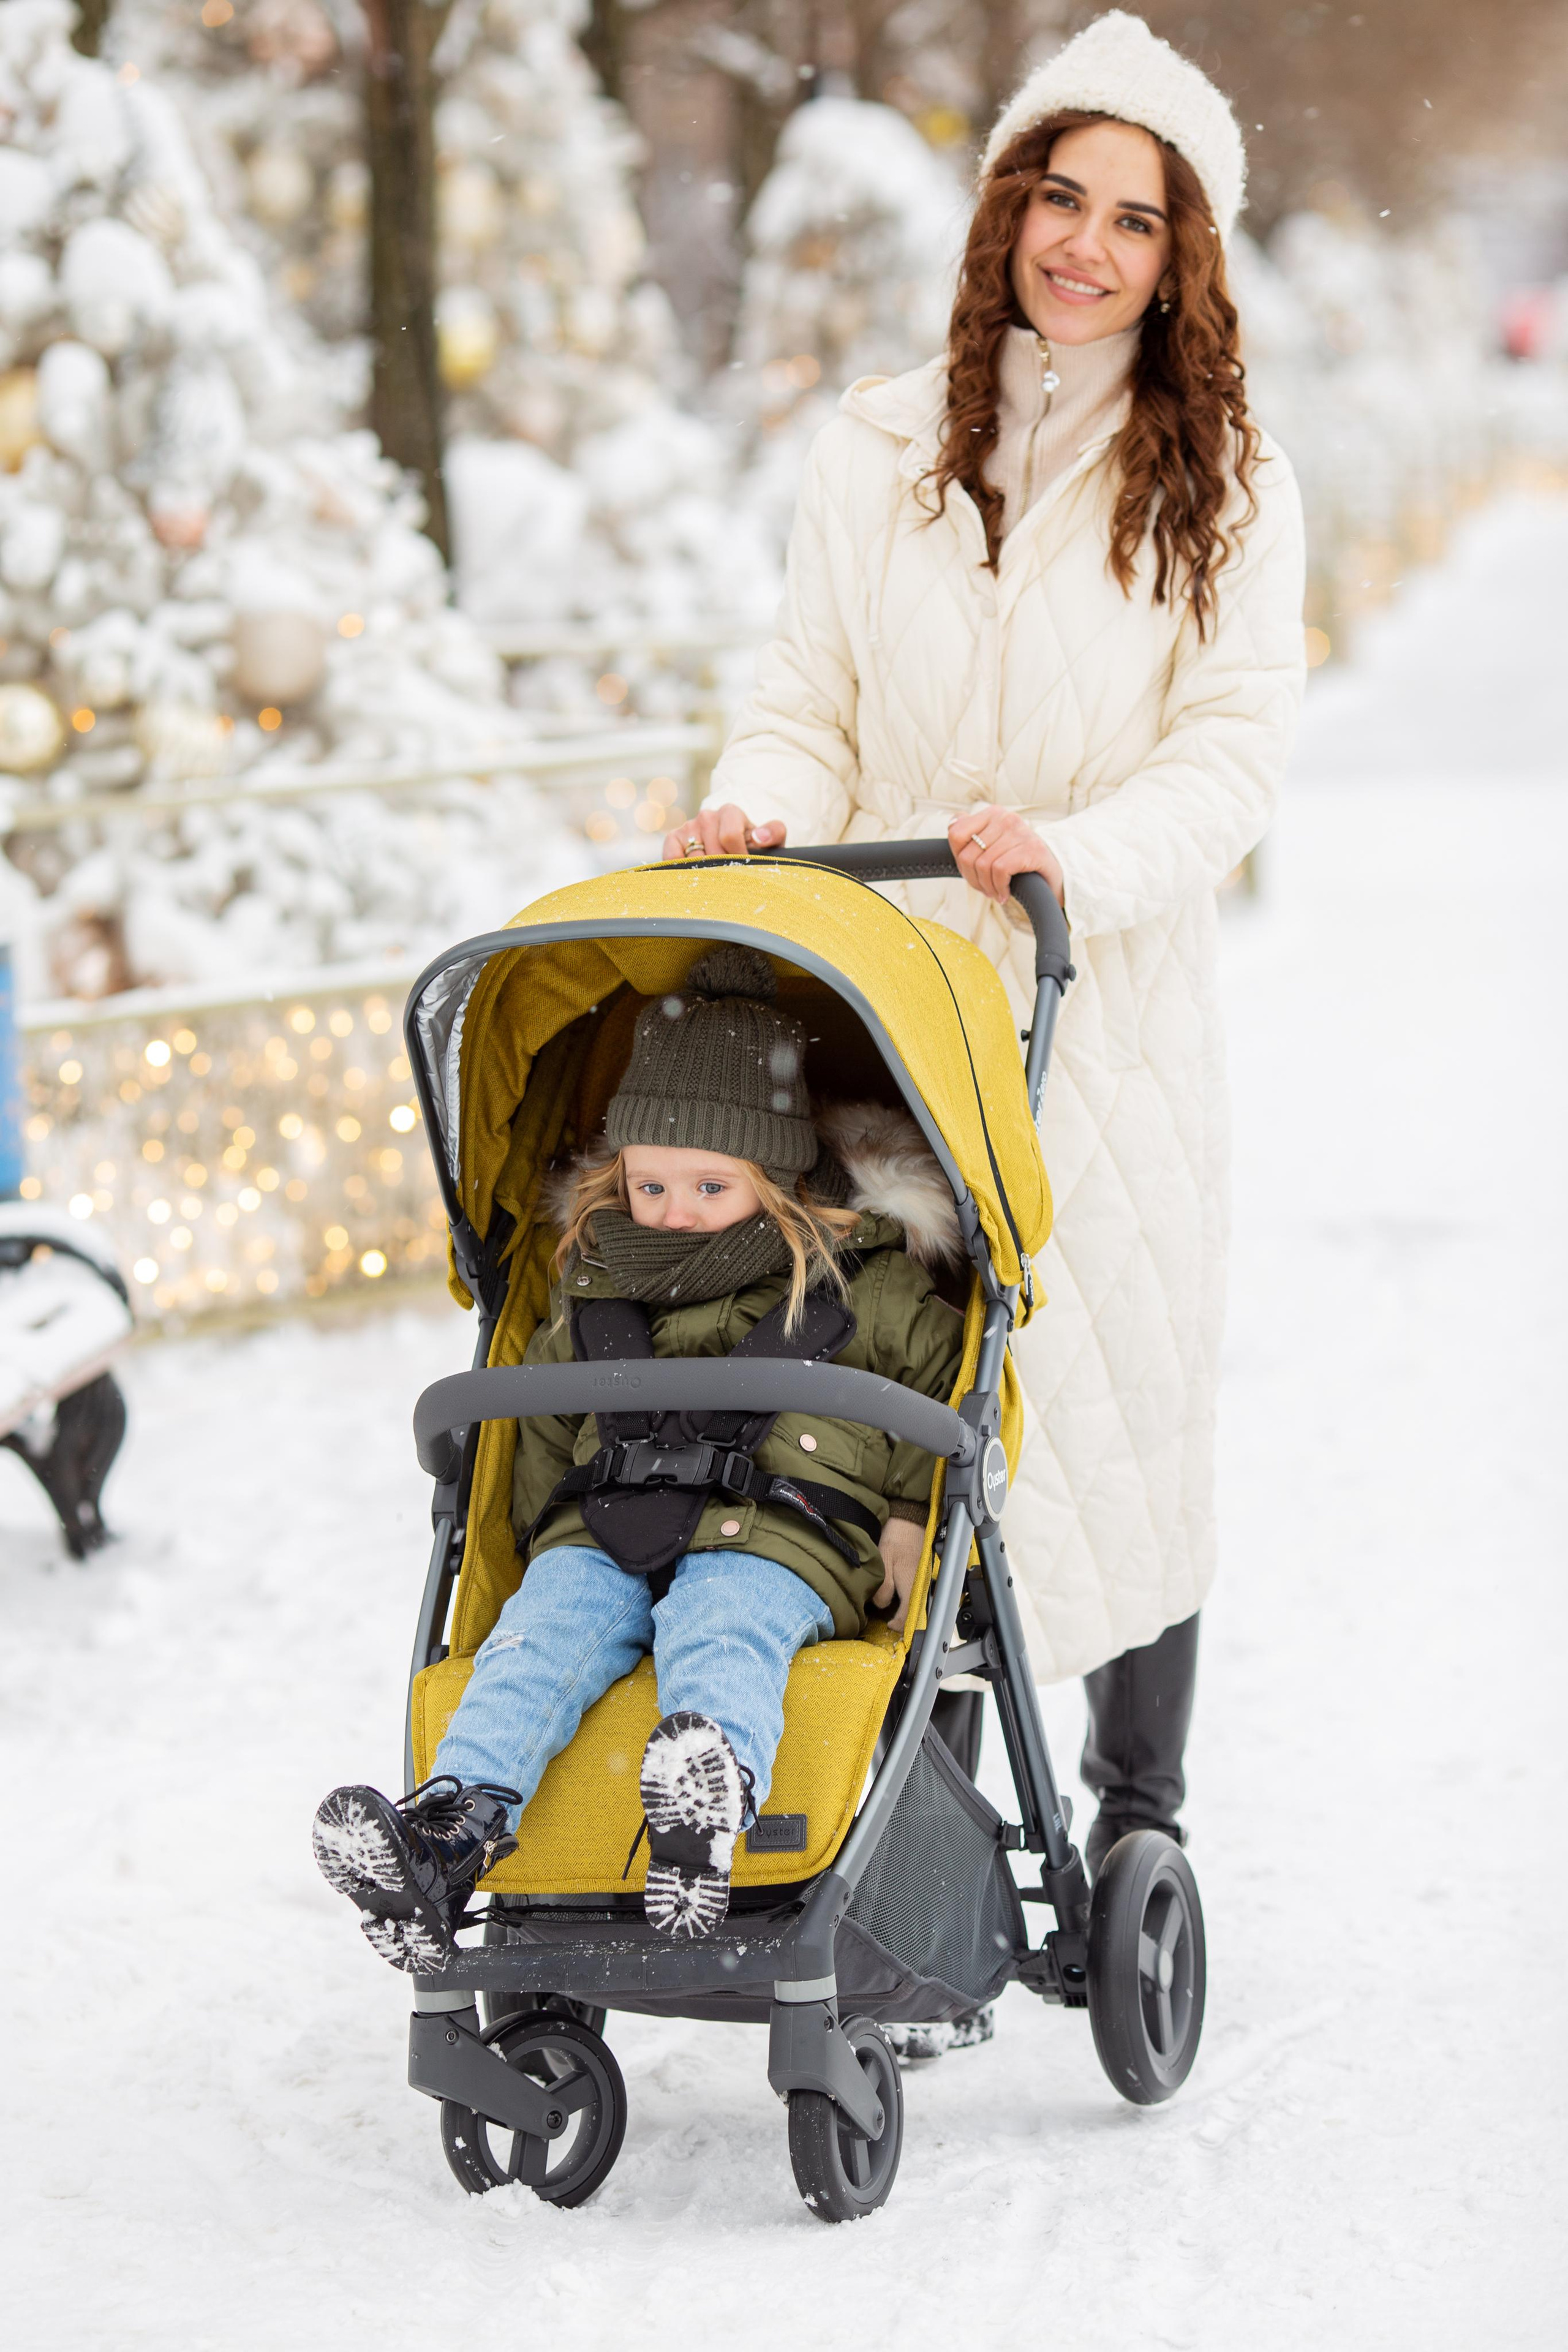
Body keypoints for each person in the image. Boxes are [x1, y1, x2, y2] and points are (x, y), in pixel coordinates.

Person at [665, 13, 1307, 1874]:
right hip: (880, 1005)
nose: (1084, 244)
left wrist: (1073, 861)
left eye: (1135, 218)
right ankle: (905, 1813)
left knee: (1116, 1401)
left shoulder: (1234, 484)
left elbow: (1233, 760)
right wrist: (756, 806)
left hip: (1092, 1015)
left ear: (1184, 259)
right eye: (1059, 193)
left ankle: (1138, 1813)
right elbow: (806, 697)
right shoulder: (875, 448)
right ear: (1008, 202)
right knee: (894, 1403)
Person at [313, 946, 965, 1966]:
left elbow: (943, 1389)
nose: (675, 1210)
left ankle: (703, 1812)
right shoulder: (595, 1280)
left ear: (781, 1177)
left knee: (724, 1616)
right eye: (652, 1183)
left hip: (785, 1528)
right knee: (539, 1639)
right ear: (618, 1172)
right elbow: (531, 1426)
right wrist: (532, 1548)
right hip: (604, 1519)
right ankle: (450, 1835)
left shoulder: (855, 1277)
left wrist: (914, 1514)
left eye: (711, 1185)